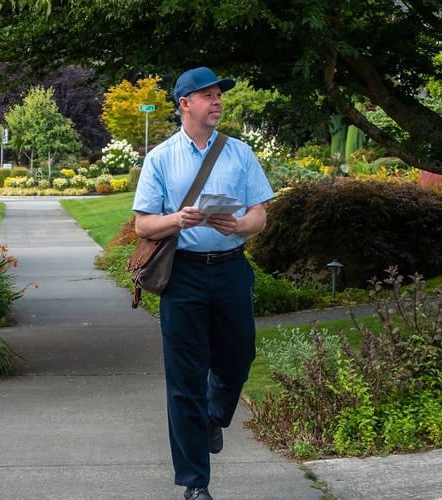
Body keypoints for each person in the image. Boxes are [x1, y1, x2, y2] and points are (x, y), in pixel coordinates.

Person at [132, 67, 275, 500]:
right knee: (184, 380)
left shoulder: (240, 153)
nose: (217, 102)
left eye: (219, 95)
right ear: (185, 104)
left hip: (231, 268)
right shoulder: (160, 157)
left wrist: (238, 226)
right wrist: (178, 219)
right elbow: (143, 225)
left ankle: (214, 414)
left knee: (239, 357)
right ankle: (196, 484)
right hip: (184, 275)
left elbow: (260, 215)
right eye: (208, 95)